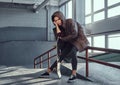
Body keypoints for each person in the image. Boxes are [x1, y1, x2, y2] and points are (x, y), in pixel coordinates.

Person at [41, 11, 89, 82]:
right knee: (61, 56)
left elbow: (74, 34)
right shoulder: (59, 27)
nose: (57, 22)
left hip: (78, 39)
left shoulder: (70, 22)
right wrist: (57, 26)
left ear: (61, 18)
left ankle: (74, 74)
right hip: (70, 41)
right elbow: (59, 36)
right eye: (55, 21)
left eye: (58, 19)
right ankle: (48, 71)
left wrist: (63, 39)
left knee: (73, 52)